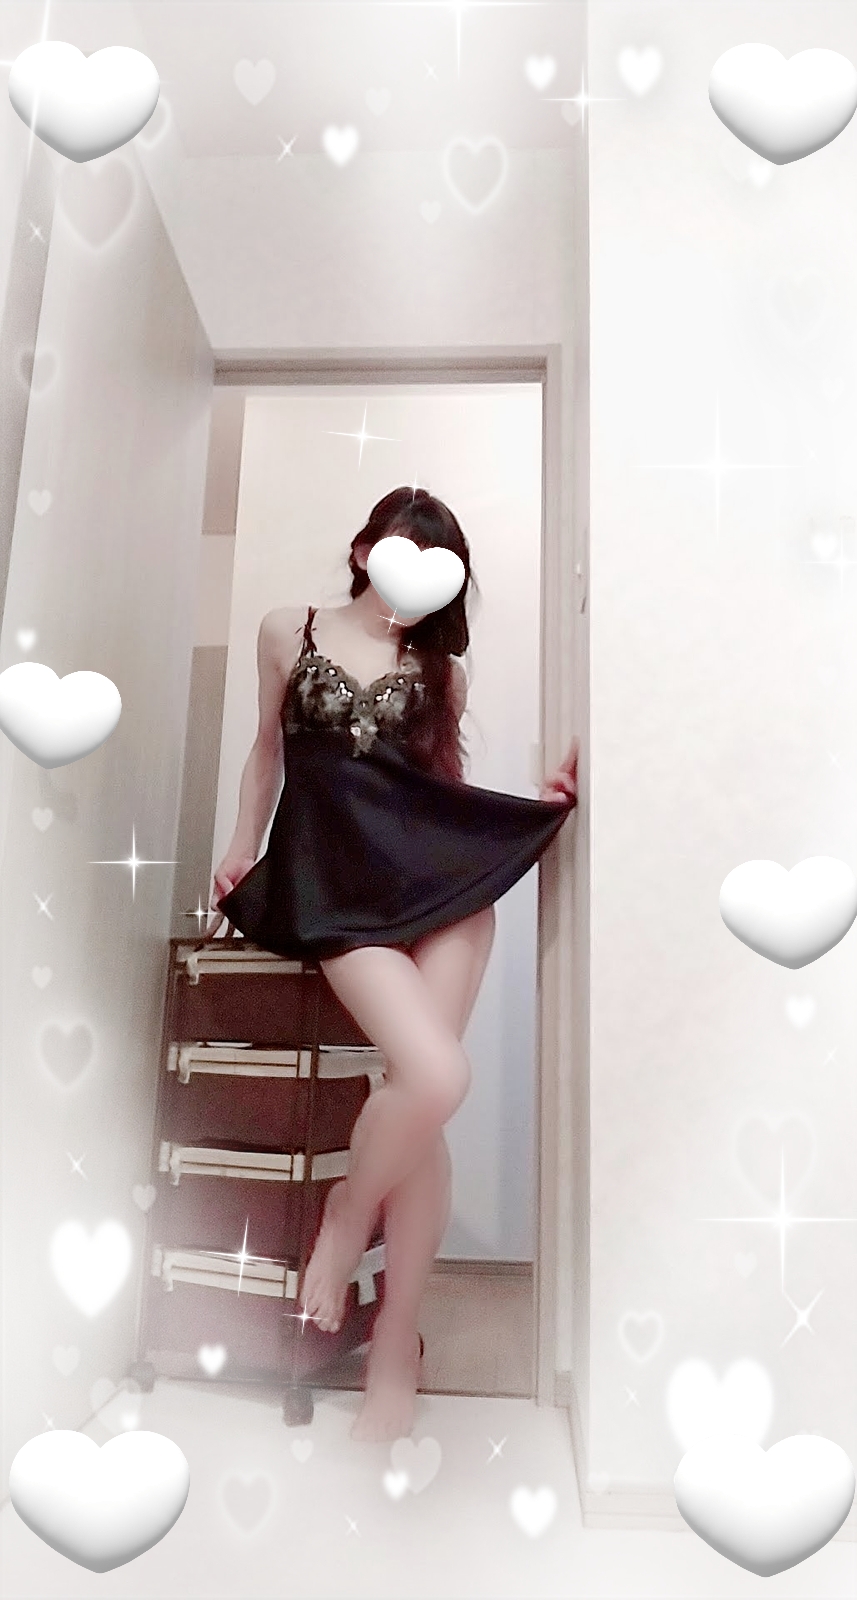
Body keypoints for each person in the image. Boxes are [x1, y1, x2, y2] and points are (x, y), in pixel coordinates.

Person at [210, 486, 578, 1442]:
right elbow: (265, 753)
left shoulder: (440, 668)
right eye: (400, 548)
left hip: (441, 893)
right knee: (435, 1077)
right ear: (362, 548)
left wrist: (534, 803)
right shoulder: (285, 629)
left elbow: (437, 791)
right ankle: (348, 1218)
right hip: (339, 892)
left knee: (423, 1098)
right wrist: (243, 846)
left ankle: (393, 1348)